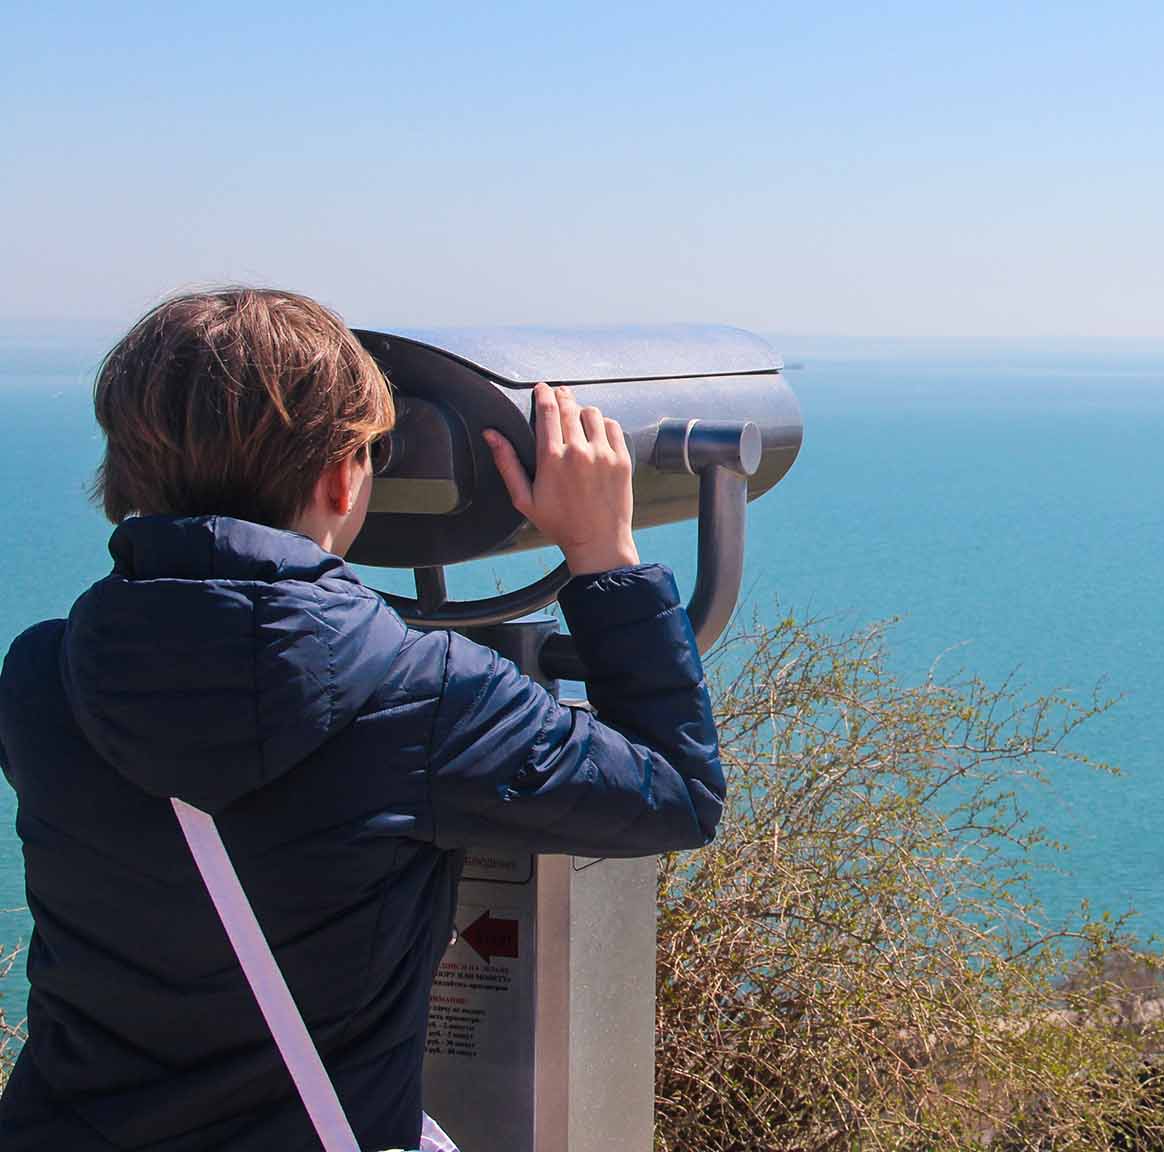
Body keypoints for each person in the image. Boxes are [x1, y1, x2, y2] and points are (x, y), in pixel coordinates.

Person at [0, 289, 725, 1151]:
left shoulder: (40, 679)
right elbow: (676, 793)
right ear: (344, 478)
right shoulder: (426, 698)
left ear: (121, 473)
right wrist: (604, 555)